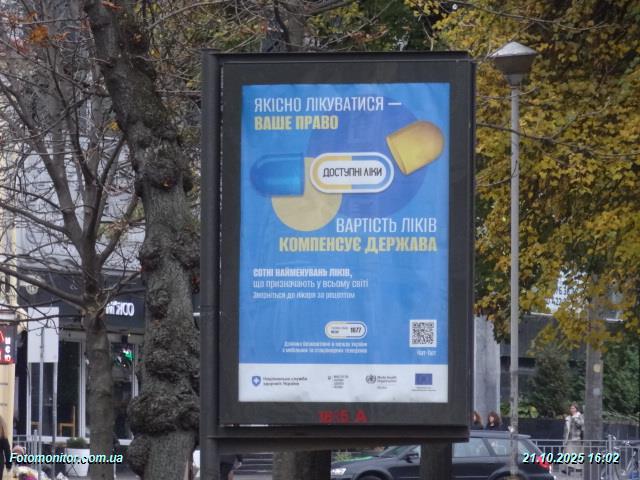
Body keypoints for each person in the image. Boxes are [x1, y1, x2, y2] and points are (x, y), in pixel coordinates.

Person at [563, 402, 584, 474]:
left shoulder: (579, 416)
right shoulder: (568, 417)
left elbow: (581, 425)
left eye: (573, 408)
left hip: (577, 438)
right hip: (569, 439)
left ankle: (580, 469)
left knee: (577, 454)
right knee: (568, 453)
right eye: (571, 408)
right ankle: (568, 468)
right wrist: (564, 439)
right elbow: (566, 430)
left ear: (576, 409)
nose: (572, 410)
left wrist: (575, 419)